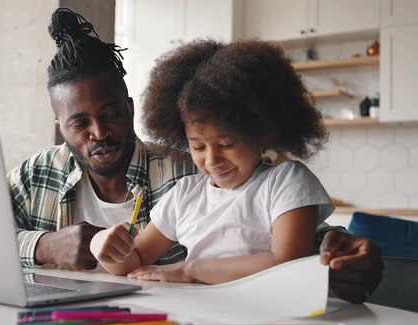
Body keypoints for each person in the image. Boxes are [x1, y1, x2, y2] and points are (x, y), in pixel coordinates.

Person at [7, 8, 382, 303]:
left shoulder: (191, 171)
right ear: (59, 125)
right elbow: (129, 261)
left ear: (131, 107)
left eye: (110, 114)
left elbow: (295, 247)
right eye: (80, 123)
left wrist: (348, 254)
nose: (100, 132)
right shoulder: (35, 176)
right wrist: (70, 246)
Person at [91, 39, 341, 285]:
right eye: (198, 146)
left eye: (226, 145)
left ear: (261, 133)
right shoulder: (185, 195)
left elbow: (286, 262)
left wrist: (192, 270)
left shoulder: (286, 181)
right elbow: (134, 261)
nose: (212, 160)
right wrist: (102, 246)